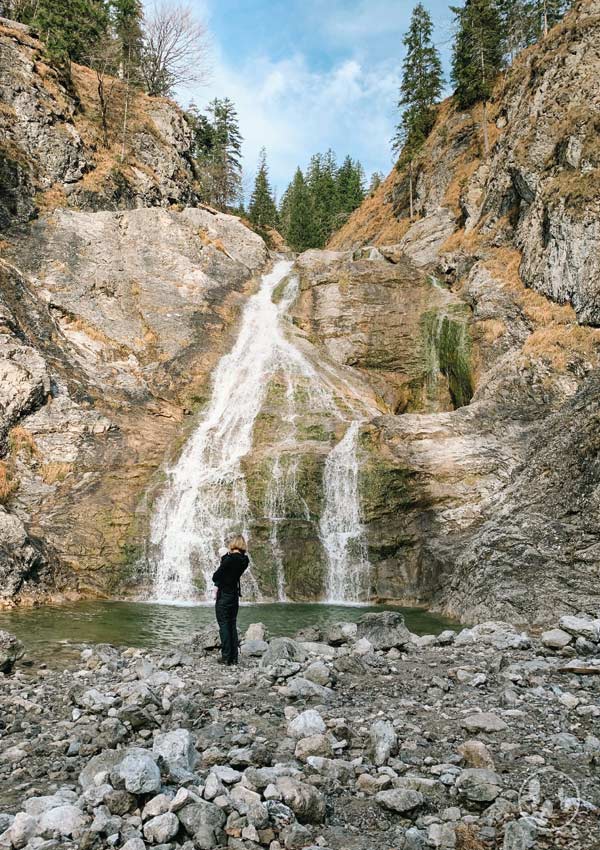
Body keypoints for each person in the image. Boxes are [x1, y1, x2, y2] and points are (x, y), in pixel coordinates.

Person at [212, 534, 249, 665]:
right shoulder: (245, 560)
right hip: (234, 596)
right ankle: (234, 657)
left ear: (233, 545)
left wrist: (224, 558)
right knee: (232, 624)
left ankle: (226, 657)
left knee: (224, 625)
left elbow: (215, 576)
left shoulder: (228, 559)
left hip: (224, 596)